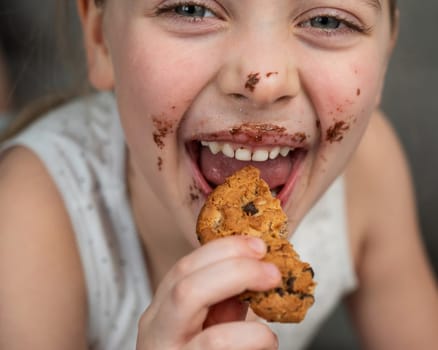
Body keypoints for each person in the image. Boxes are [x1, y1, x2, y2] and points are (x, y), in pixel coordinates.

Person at [0, 0, 436, 349]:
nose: (262, 78)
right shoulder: (26, 226)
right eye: (190, 9)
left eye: (327, 19)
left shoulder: (367, 172)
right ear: (100, 39)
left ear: (385, 59)